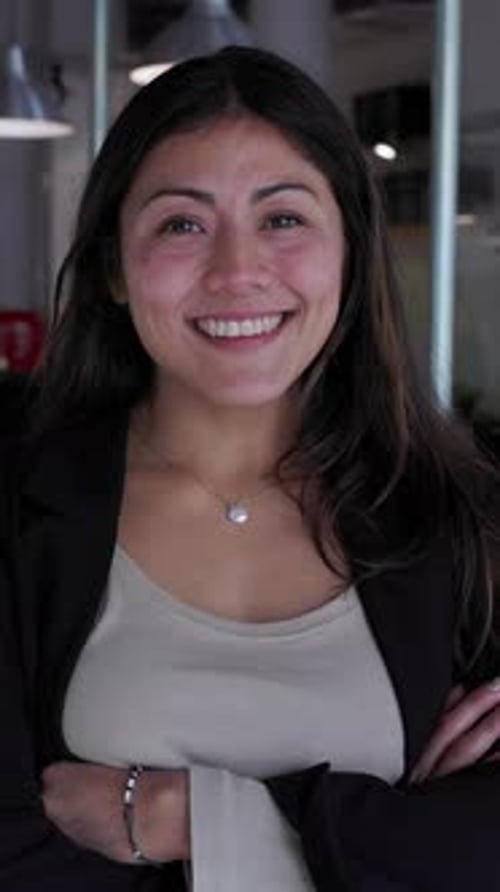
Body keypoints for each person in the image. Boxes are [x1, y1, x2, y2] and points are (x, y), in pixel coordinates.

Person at [1, 45, 500, 892]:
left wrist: (185, 816)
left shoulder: (460, 514)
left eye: (283, 218)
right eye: (182, 223)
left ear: (349, 250)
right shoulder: (18, 496)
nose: (238, 272)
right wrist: (374, 840)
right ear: (115, 269)